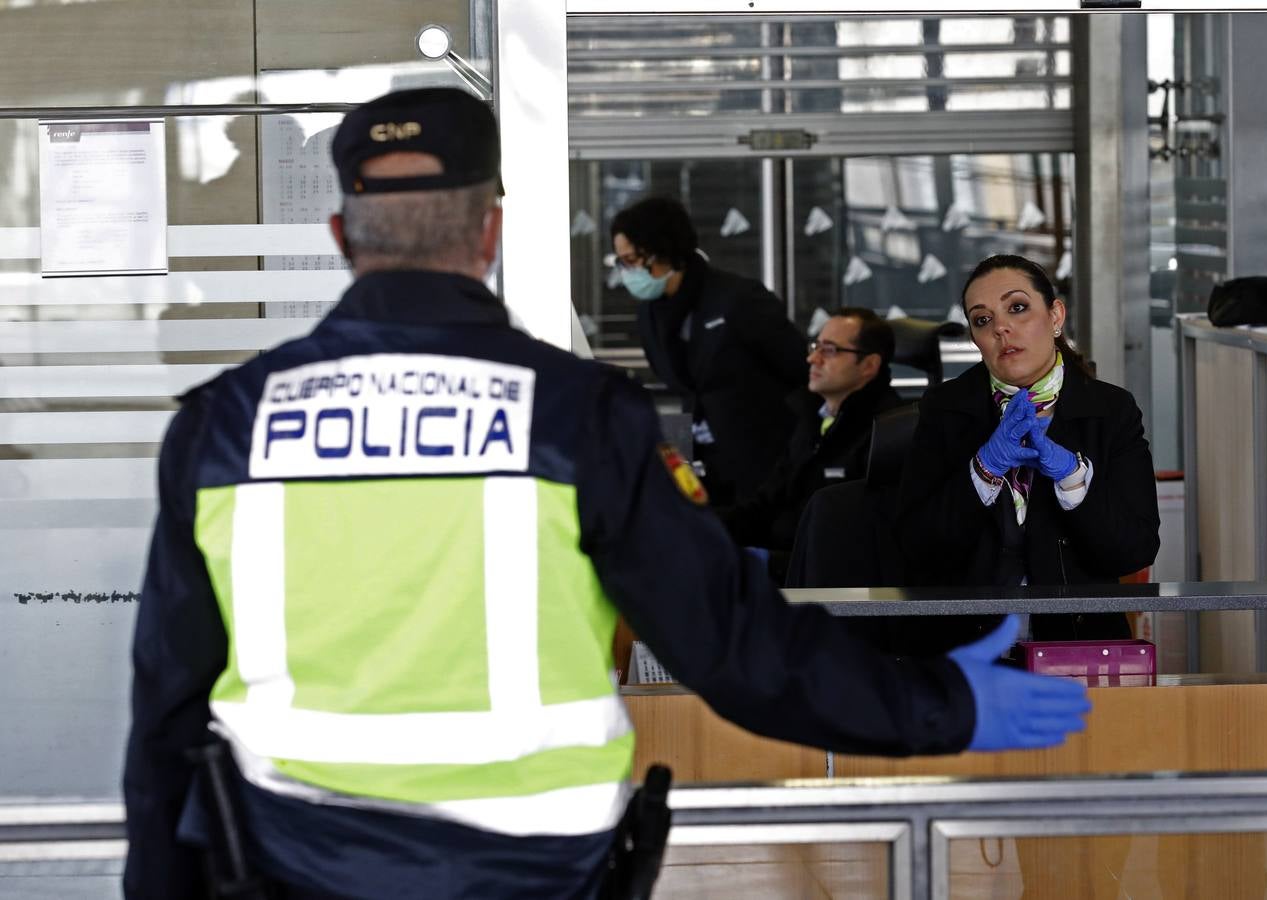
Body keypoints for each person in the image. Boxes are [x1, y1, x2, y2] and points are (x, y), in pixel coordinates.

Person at [122, 90, 1091, 900]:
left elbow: (168, 706)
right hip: (533, 872)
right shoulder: (578, 417)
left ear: (341, 232)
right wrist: (940, 706)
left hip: (291, 867)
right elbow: (735, 649)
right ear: (490, 231)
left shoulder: (223, 425)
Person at [896, 254, 1161, 643]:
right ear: (975, 339)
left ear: (1055, 317)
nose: (1002, 327)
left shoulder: (1110, 410)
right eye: (983, 320)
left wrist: (1073, 479)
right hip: (966, 648)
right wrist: (983, 471)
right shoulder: (944, 409)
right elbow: (917, 548)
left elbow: (1133, 551)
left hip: (1078, 645)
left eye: (1017, 308)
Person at [611, 197, 807, 506]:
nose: (626, 272)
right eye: (620, 262)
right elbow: (684, 392)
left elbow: (800, 370)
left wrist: (799, 449)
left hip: (768, 467)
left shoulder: (738, 299)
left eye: (632, 259)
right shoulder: (650, 316)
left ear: (663, 250)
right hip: (706, 470)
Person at [720, 308, 902, 582]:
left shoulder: (889, 431)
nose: (812, 358)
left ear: (868, 366)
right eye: (815, 346)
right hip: (785, 564)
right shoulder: (812, 418)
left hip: (825, 583)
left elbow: (855, 546)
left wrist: (768, 564)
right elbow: (765, 504)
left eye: (829, 350)